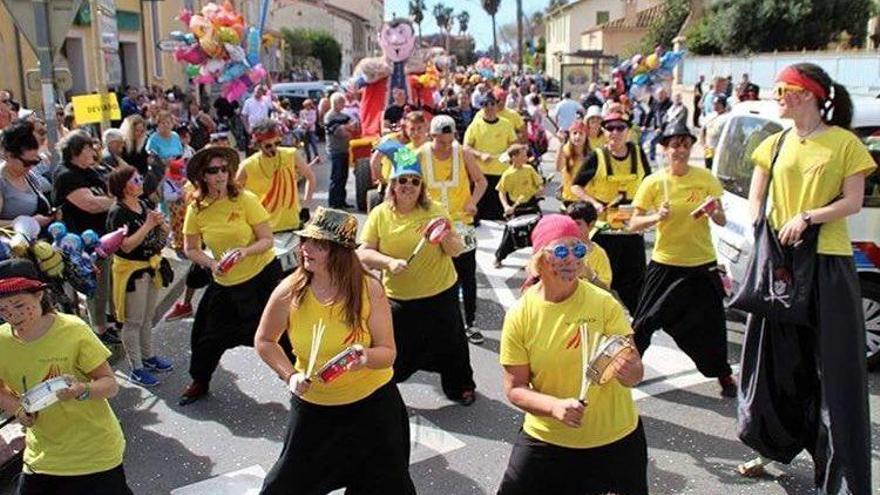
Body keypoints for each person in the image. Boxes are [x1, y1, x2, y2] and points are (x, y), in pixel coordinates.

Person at [738, 63, 874, 493]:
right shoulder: (774, 142)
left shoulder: (843, 143)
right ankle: (770, 445)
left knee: (832, 372)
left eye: (785, 88)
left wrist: (807, 216)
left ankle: (837, 475)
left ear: (810, 94)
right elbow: (756, 195)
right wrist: (760, 226)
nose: (778, 95)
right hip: (781, 267)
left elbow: (853, 202)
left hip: (827, 264)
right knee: (774, 366)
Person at [254, 207, 415, 494]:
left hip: (373, 409)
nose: (306, 248)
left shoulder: (369, 289)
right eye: (305, 241)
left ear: (340, 251)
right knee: (282, 488)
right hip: (316, 411)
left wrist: (363, 357)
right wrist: (290, 376)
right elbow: (265, 341)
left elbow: (388, 352)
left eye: (319, 244)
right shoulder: (289, 290)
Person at [498, 214, 647, 495]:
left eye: (578, 250)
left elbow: (634, 367)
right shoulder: (521, 315)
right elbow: (515, 389)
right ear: (541, 259)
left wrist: (631, 371)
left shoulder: (603, 303)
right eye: (561, 251)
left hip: (615, 438)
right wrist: (554, 407)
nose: (571, 260)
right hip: (549, 439)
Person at [0, 258, 133, 495]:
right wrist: (19, 410)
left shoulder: (73, 329)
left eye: (19, 305)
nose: (12, 315)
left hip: (94, 453)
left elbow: (110, 385)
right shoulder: (1, 340)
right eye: (2, 309)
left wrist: (81, 390)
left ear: (39, 294)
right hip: (43, 455)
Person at [358, 152, 477, 405]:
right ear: (393, 185)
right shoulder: (380, 214)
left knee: (452, 345)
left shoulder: (435, 210)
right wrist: (388, 262)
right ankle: (385, 390)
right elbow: (364, 252)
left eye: (414, 181)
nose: (408, 186)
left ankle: (461, 387)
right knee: (396, 350)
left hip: (439, 292)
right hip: (400, 298)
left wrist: (446, 236)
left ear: (422, 186)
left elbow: (455, 250)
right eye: (403, 181)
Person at [628, 122, 737, 397]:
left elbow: (722, 219)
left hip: (701, 262)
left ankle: (724, 376)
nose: (681, 150)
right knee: (643, 322)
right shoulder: (654, 182)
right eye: (675, 145)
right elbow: (633, 224)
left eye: (686, 144)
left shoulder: (705, 178)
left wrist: (714, 213)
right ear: (664, 149)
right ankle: (629, 370)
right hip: (665, 262)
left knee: (712, 325)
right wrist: (656, 217)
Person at [179, 146, 280, 405]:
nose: (221, 175)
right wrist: (212, 263)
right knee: (206, 337)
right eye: (213, 171)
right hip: (224, 281)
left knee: (280, 333)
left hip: (260, 277)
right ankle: (200, 381)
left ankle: (299, 379)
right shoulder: (197, 208)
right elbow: (190, 249)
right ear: (202, 176)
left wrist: (245, 251)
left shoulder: (245, 199)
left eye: (225, 169)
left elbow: (267, 240)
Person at [570, 113, 651, 313]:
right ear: (604, 132)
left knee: (636, 280)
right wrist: (594, 203)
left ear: (628, 131)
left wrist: (652, 211)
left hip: (631, 228)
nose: (615, 132)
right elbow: (576, 187)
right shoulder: (596, 156)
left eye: (620, 128)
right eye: (610, 128)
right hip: (605, 231)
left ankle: (636, 323)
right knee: (603, 279)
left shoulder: (639, 154)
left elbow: (650, 184)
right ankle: (598, 316)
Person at [421, 115, 487, 344]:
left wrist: (473, 202)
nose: (446, 147)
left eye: (450, 141)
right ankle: (435, 325)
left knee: (466, 274)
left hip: (461, 224)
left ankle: (470, 323)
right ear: (432, 136)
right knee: (432, 275)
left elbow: (481, 181)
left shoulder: (463, 153)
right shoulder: (420, 154)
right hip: (432, 224)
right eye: (441, 142)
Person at [106, 165, 173, 387]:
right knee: (133, 321)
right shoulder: (118, 212)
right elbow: (125, 246)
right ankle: (136, 367)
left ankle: (149, 356)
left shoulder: (143, 204)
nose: (140, 182)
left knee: (147, 317)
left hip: (149, 267)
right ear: (123, 187)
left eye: (140, 178)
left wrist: (162, 226)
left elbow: (154, 233)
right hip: (131, 272)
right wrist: (148, 224)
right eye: (135, 180)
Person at [52, 131, 118, 343]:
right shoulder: (66, 175)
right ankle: (99, 329)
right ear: (75, 152)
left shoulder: (90, 171)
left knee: (107, 283)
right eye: (88, 148)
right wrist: (116, 201)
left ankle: (107, 320)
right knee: (95, 286)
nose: (93, 152)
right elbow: (91, 204)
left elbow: (107, 192)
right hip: (84, 242)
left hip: (104, 237)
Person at [237, 119, 316, 233]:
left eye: (277, 143)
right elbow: (234, 194)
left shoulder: (291, 154)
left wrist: (306, 206)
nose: (274, 148)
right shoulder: (247, 165)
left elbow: (311, 178)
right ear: (258, 144)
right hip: (263, 230)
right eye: (268, 145)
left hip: (292, 224)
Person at [464, 92, 518, 221]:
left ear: (497, 105)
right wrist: (480, 154)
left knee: (498, 215)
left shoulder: (506, 124)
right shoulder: (475, 125)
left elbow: (514, 146)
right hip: (480, 176)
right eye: (485, 104)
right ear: (481, 106)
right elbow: (466, 147)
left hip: (501, 174)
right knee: (477, 215)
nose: (489, 107)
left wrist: (506, 155)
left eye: (492, 104)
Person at [494, 144, 544, 268]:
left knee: (539, 233)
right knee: (510, 235)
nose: (527, 157)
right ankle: (499, 257)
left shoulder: (529, 169)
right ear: (514, 157)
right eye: (523, 155)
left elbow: (539, 184)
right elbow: (502, 192)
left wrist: (540, 190)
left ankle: (537, 260)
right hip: (517, 208)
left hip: (531, 204)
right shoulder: (507, 174)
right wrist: (506, 206)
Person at [0, 120, 54, 228]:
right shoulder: (2, 182)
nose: (31, 167)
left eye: (35, 162)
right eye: (26, 163)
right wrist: (26, 222)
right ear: (8, 156)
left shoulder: (29, 176)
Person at [566, 201, 612, 291]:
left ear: (591, 225)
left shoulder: (599, 254)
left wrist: (590, 275)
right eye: (570, 223)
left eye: (578, 224)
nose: (573, 227)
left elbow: (606, 288)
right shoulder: (560, 249)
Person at [324, 92, 358, 209]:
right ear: (336, 103)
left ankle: (342, 201)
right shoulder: (330, 116)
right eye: (342, 102)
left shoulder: (343, 115)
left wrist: (346, 127)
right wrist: (347, 128)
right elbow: (339, 132)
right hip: (335, 151)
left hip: (344, 150)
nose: (344, 105)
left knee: (344, 177)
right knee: (336, 177)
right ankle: (334, 203)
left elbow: (354, 125)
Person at [556, 121, 592, 208]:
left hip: (586, 198)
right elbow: (558, 167)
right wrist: (561, 144)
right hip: (569, 198)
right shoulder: (565, 150)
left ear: (586, 136)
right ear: (570, 136)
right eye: (574, 133)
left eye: (581, 133)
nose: (577, 136)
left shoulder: (591, 154)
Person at [702, 95, 730, 171]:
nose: (715, 105)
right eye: (714, 103)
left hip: (719, 150)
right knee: (708, 168)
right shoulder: (710, 115)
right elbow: (704, 129)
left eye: (718, 104)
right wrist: (703, 143)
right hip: (708, 149)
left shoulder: (727, 117)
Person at [298, 99, 320, 164]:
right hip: (304, 130)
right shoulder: (302, 112)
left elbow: (314, 120)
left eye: (309, 105)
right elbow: (301, 119)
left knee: (314, 144)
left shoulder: (313, 111)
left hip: (311, 130)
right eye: (306, 105)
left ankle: (317, 157)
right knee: (306, 145)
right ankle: (308, 158)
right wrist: (304, 124)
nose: (308, 107)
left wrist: (308, 125)